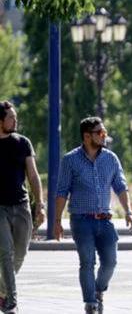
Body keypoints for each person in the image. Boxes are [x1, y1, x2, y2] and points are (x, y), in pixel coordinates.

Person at [54, 117, 132, 314]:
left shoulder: (111, 158)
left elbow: (121, 187)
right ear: (87, 136)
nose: (103, 136)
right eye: (99, 133)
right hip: (81, 221)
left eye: (104, 132)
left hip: (105, 220)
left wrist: (128, 211)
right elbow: (62, 191)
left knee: (110, 262)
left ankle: (98, 290)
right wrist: (56, 221)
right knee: (87, 262)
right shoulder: (70, 160)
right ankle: (90, 303)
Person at [0, 101, 45, 314]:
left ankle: (1, 292)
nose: (15, 120)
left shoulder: (23, 143)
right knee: (5, 253)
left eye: (15, 116)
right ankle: (11, 302)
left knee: (20, 254)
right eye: (11, 117)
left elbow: (33, 176)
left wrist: (40, 205)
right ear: (0, 121)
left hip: (21, 205)